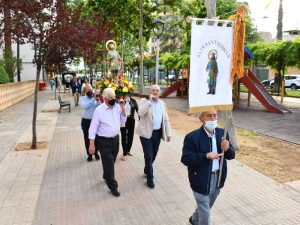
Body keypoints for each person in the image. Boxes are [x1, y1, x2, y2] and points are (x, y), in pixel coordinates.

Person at [181, 110, 235, 225]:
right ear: (201, 118)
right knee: (205, 211)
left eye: (214, 115)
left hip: (218, 177)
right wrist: (206, 155)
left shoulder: (222, 133)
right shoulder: (192, 137)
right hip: (200, 178)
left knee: (207, 204)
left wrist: (227, 148)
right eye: (208, 115)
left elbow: (231, 155)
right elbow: (186, 159)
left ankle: (194, 219)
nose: (212, 118)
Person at [88, 88, 126, 197]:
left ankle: (106, 175)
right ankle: (113, 185)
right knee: (109, 163)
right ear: (104, 98)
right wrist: (91, 144)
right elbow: (93, 128)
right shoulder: (99, 110)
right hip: (103, 141)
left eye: (114, 97)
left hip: (115, 139)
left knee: (111, 161)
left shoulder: (117, 107)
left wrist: (123, 109)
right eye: (111, 98)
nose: (113, 99)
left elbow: (123, 121)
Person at [135, 84, 171, 189]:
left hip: (157, 133)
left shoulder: (162, 104)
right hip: (145, 133)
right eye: (153, 90)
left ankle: (147, 168)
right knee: (149, 155)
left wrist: (168, 133)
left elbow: (166, 119)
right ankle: (149, 178)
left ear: (159, 93)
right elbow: (140, 113)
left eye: (157, 90)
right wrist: (149, 102)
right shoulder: (144, 101)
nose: (155, 92)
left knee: (153, 155)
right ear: (150, 92)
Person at [80, 90, 101, 162]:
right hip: (86, 121)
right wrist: (93, 99)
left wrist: (97, 100)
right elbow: (85, 106)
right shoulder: (83, 98)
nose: (89, 91)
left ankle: (96, 152)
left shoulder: (95, 98)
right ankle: (89, 154)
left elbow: (99, 106)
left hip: (94, 121)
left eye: (90, 89)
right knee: (87, 139)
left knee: (96, 138)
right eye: (87, 89)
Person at [120, 94, 138, 161]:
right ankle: (124, 153)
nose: (127, 94)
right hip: (123, 120)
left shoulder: (133, 100)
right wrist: (123, 103)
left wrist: (141, 118)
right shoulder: (121, 100)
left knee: (130, 136)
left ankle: (128, 150)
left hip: (131, 119)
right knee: (124, 136)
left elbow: (137, 109)